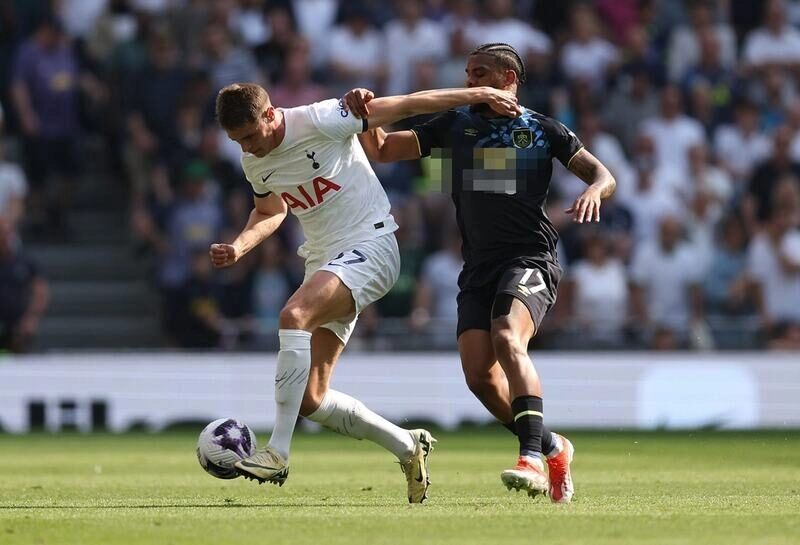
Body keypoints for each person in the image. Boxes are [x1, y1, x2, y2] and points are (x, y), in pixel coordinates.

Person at [210, 81, 520, 503]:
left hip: (371, 245)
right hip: (325, 263)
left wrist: (477, 94)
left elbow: (408, 104)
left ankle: (278, 452)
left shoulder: (319, 119)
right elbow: (270, 209)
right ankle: (408, 446)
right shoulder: (254, 161)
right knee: (310, 398)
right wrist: (240, 246)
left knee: (292, 316)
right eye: (237, 141)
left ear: (269, 114)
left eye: (249, 136)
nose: (246, 147)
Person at [344, 42, 617, 502]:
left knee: (508, 338)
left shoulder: (542, 130)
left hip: (529, 258)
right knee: (479, 377)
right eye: (468, 74)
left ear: (509, 80)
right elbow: (385, 150)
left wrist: (595, 191)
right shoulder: (456, 123)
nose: (470, 82)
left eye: (481, 73)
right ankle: (552, 446)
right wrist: (366, 114)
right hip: (478, 266)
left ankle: (530, 457)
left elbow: (603, 175)